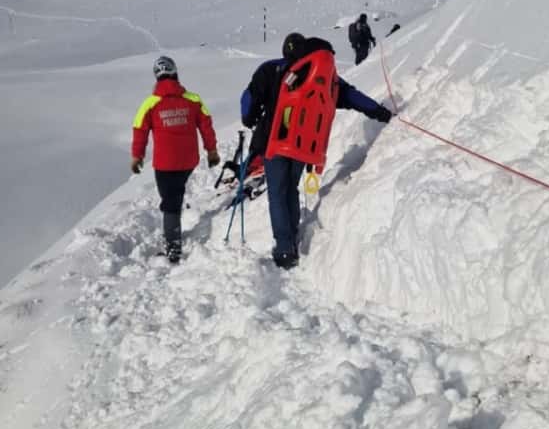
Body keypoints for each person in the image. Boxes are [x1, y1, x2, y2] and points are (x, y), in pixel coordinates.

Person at [240, 33, 392, 269]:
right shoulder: (323, 77)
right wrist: (380, 112)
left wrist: (248, 119)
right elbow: (352, 96)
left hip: (275, 142)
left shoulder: (272, 69)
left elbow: (249, 99)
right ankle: (291, 235)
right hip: (304, 146)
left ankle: (284, 248)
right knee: (290, 188)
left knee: (278, 194)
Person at [132, 55, 220, 264]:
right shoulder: (193, 99)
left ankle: (173, 247)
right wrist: (212, 151)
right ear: (175, 73)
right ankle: (176, 220)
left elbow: (139, 130)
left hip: (165, 163)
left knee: (170, 202)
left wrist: (137, 156)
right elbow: (206, 125)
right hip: (189, 160)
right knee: (175, 193)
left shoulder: (150, 104)